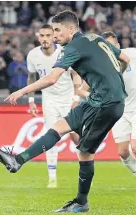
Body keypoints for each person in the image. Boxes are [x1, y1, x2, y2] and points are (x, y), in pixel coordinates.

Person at [0, 10, 130, 213]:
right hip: (99, 99)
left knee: (84, 152)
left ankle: (82, 202)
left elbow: (51, 78)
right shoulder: (95, 38)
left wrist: (22, 91)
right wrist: (114, 77)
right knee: (59, 127)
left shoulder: (71, 48)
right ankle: (18, 160)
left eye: (57, 30)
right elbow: (124, 58)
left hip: (107, 103)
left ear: (71, 29)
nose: (55, 35)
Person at [83, 31, 136, 190]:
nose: (110, 49)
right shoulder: (100, 67)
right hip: (119, 110)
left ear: (118, 46)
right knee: (123, 152)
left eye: (112, 46)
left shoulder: (129, 53)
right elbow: (84, 88)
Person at [26, 24, 81, 188]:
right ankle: (52, 178)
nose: (45, 39)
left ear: (53, 37)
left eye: (48, 35)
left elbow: (76, 73)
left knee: (76, 136)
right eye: (42, 35)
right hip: (48, 99)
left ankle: (85, 168)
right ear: (38, 37)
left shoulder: (63, 52)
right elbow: (31, 77)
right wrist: (31, 100)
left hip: (67, 98)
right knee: (50, 136)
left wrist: (76, 97)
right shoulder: (33, 55)